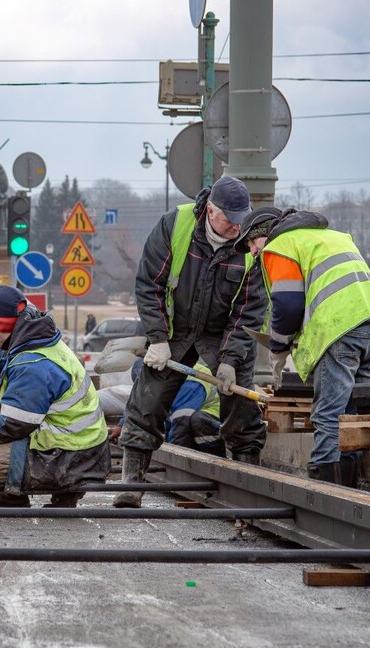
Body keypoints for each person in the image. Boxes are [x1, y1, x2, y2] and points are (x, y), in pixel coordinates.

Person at [114, 176, 268, 508]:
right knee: (146, 401)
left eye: (241, 220)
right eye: (230, 220)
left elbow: (250, 310)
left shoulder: (252, 244)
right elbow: (150, 285)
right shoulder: (175, 225)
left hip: (223, 334)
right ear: (211, 210)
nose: (236, 227)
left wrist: (230, 359)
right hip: (175, 330)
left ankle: (249, 487)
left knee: (242, 407)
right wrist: (157, 338)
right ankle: (131, 483)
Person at [234, 207, 370, 487]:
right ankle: (349, 489)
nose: (253, 251)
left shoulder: (279, 245)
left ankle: (324, 488)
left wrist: (278, 348)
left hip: (339, 328)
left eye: (251, 243)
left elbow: (287, 304)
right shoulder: (330, 236)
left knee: (328, 413)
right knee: (351, 414)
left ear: (263, 234)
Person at [0, 285, 109, 508]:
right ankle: (14, 495)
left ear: (2, 324)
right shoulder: (30, 340)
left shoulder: (33, 363)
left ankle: (64, 490)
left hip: (75, 456)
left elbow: (15, 423)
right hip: (68, 436)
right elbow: (5, 377)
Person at [111, 358, 223, 456]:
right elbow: (139, 405)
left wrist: (175, 457)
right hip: (183, 422)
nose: (147, 391)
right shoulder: (159, 378)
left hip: (211, 424)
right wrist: (122, 426)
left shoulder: (190, 382)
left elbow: (181, 424)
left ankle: (210, 458)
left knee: (195, 422)